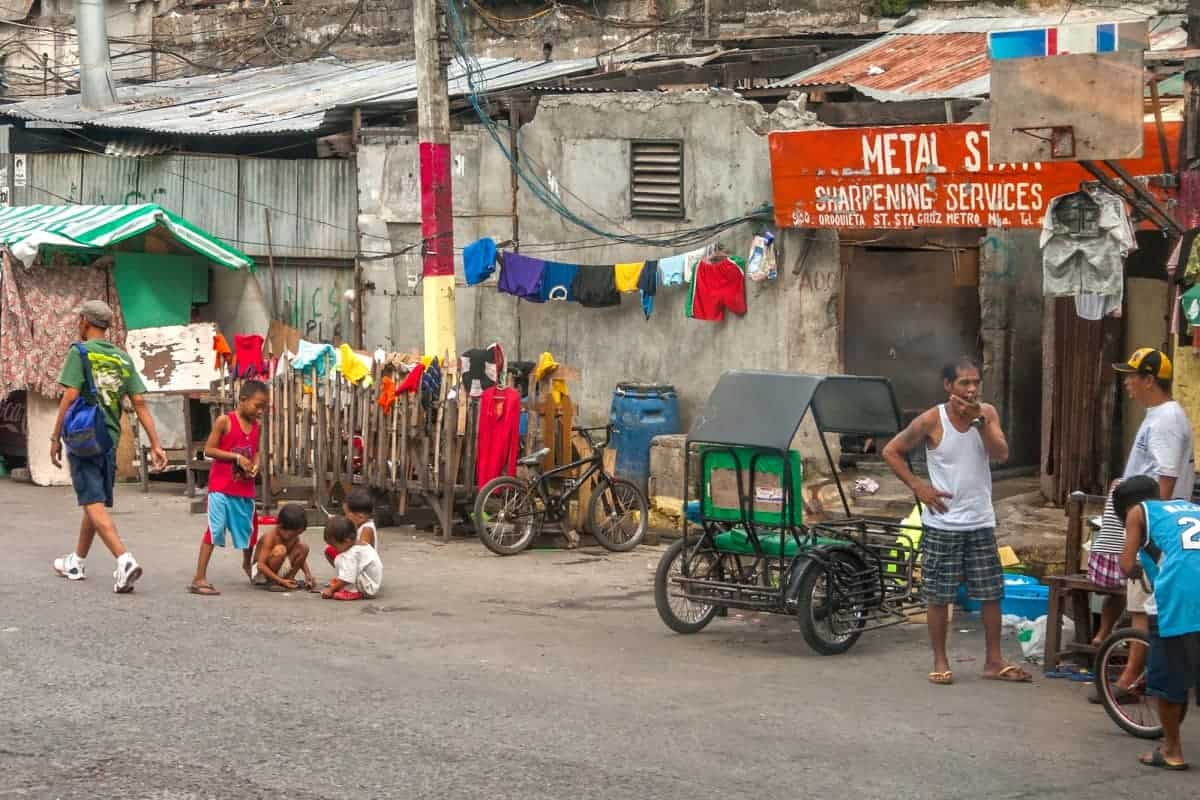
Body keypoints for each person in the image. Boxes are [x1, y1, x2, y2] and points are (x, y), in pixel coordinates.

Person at [882, 356, 1031, 685]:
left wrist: (980, 420)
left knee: (991, 592)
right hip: (943, 523)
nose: (971, 388)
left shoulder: (986, 413)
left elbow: (1001, 453)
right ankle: (940, 659)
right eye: (964, 383)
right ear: (948, 386)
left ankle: (993, 661)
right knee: (939, 595)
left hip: (980, 520)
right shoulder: (931, 420)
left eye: (975, 382)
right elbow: (892, 451)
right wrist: (918, 486)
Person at [1088, 349, 1194, 697]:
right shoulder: (1161, 415)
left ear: (1150, 380)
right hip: (1148, 521)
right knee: (1139, 604)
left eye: (1132, 376)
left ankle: (1129, 680)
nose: (1127, 383)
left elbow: (1165, 477)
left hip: (1152, 525)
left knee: (1142, 608)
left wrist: (1148, 527)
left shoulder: (1165, 419)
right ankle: (1133, 673)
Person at [50, 300, 169, 594]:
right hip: (109, 438)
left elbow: (70, 395)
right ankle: (76, 562)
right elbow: (139, 402)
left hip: (83, 436)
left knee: (91, 500)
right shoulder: (122, 358)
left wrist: (54, 437)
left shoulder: (79, 352)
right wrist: (156, 443)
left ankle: (123, 559)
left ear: (84, 322)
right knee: (95, 500)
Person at [1113, 475, 1200, 771]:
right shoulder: (1187, 506)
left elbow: (1126, 564)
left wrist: (1135, 570)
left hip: (1181, 594)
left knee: (1167, 679)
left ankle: (1172, 751)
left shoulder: (1138, 512)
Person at [189, 380, 269, 596]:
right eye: (257, 405)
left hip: (244, 488)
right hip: (221, 487)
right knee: (215, 529)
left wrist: (256, 464)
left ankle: (246, 563)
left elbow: (258, 451)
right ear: (243, 400)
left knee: (248, 530)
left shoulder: (257, 426)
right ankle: (199, 577)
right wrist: (236, 457)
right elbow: (209, 450)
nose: (259, 411)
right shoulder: (225, 421)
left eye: (263, 407)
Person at [250, 503, 316, 592]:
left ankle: (289, 579)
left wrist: (308, 574)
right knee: (280, 550)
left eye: (297, 534)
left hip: (279, 569)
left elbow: (301, 557)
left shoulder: (293, 536)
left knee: (304, 547)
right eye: (293, 534)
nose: (295, 536)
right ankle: (273, 582)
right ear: (281, 527)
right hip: (262, 573)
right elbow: (260, 565)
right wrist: (280, 580)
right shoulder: (270, 537)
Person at [320, 516, 383, 601]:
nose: (334, 548)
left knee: (342, 559)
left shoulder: (351, 554)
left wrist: (331, 590)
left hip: (368, 586)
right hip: (369, 581)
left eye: (334, 545)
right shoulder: (359, 544)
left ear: (347, 540)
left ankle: (352, 591)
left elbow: (348, 577)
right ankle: (347, 586)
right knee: (340, 558)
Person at [325, 488, 378, 567]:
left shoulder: (367, 529)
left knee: (335, 548)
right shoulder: (359, 523)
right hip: (356, 560)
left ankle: (348, 576)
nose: (345, 517)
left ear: (361, 517)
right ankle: (344, 573)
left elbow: (360, 552)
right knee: (330, 550)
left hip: (363, 565)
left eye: (346, 514)